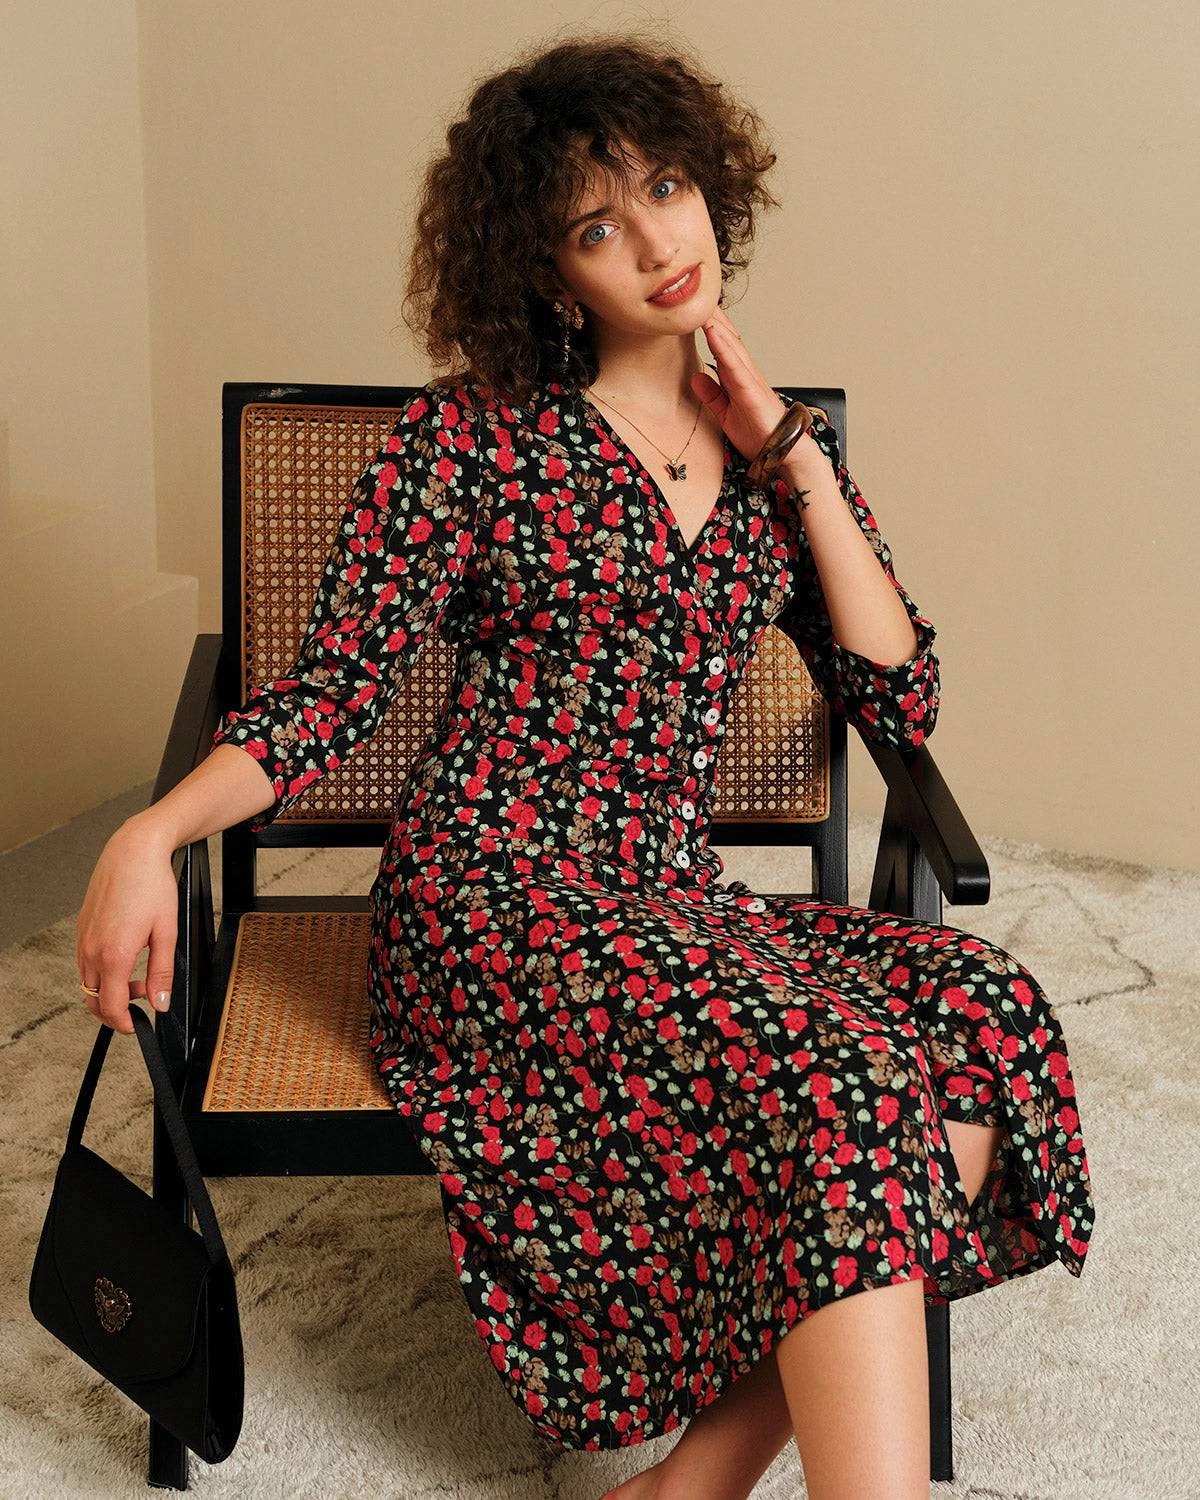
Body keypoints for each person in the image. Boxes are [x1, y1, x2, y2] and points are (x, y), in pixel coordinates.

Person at [76, 31, 1095, 1500]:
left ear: (714, 187)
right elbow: (326, 698)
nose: (660, 243)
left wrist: (796, 460)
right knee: (843, 1082)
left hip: (669, 898)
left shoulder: (769, 455)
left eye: (668, 188)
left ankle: (684, 1487)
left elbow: (900, 694)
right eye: (598, 226)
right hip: (492, 898)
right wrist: (149, 831)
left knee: (983, 1016)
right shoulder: (473, 438)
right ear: (549, 270)